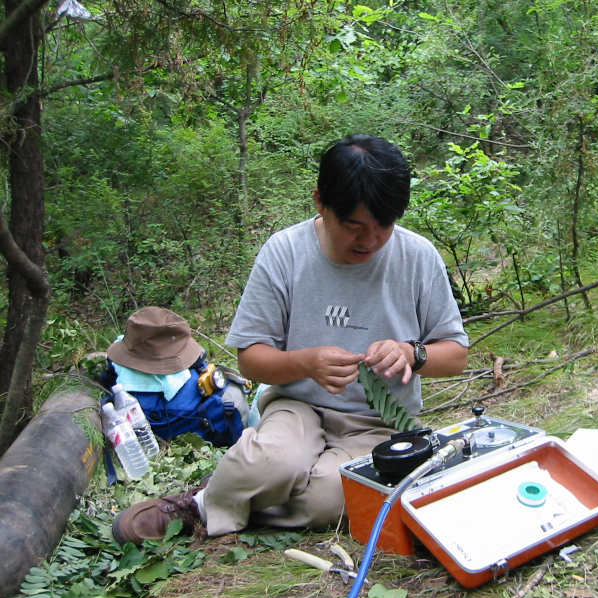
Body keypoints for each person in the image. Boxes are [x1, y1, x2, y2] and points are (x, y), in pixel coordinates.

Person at [112, 134, 469, 544]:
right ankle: (199, 505)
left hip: (379, 423)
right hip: (297, 405)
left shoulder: (417, 257)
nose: (369, 241)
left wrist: (412, 353)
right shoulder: (285, 252)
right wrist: (306, 364)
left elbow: (456, 355)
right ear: (320, 202)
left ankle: (231, 492)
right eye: (353, 226)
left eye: (383, 226)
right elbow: (250, 358)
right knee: (271, 462)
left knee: (329, 497)